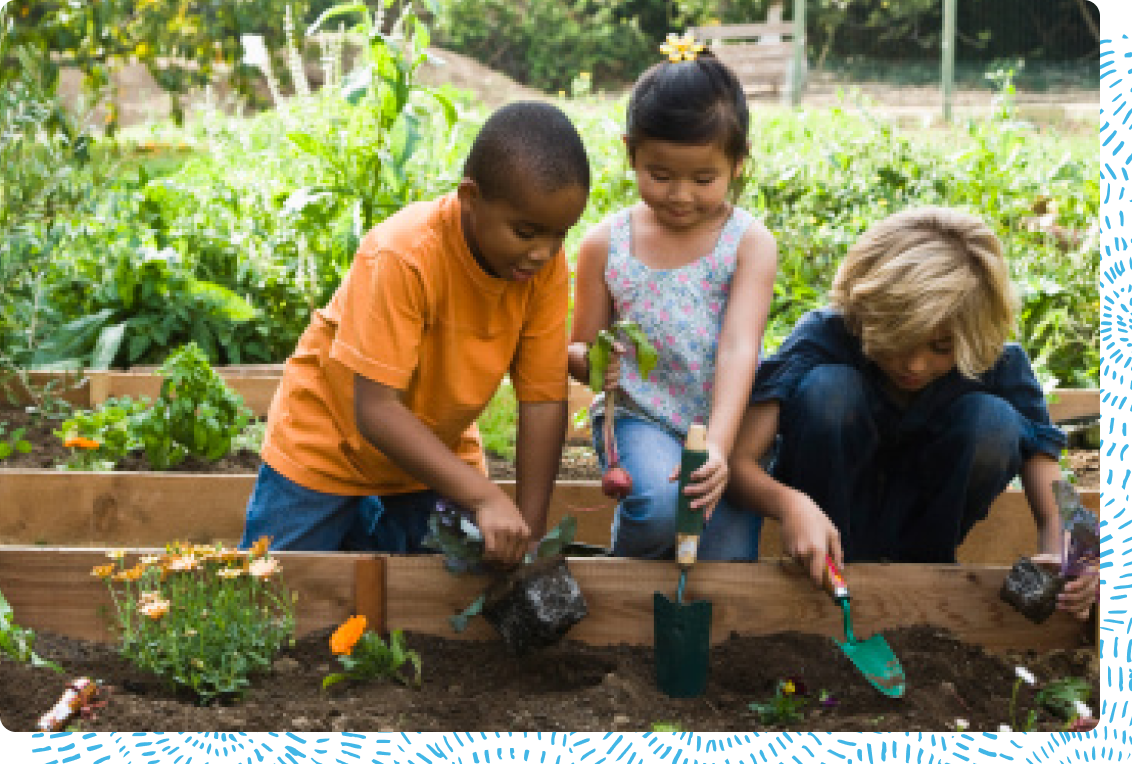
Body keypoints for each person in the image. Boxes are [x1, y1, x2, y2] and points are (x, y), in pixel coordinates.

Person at [240, 101, 590, 565]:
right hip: (329, 441)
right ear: (470, 198)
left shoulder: (540, 267)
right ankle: (355, 520)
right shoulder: (404, 255)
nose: (543, 252)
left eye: (559, 235)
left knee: (445, 591)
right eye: (525, 232)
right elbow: (377, 412)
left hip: (433, 454)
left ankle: (365, 527)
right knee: (276, 589)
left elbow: (544, 400)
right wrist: (485, 498)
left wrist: (528, 533)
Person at [728, 206, 1098, 619]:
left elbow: (1054, 500)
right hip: (825, 543)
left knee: (992, 421)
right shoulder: (827, 335)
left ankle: (924, 577)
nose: (915, 365)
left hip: (928, 539)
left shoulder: (997, 362)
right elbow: (740, 465)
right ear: (867, 314)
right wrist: (790, 505)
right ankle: (831, 571)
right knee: (829, 390)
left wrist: (1070, 562)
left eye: (941, 348)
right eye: (900, 342)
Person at [567, 40, 777, 560]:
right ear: (630, 153)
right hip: (643, 416)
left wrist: (722, 449)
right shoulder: (606, 244)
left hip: (727, 419)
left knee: (724, 566)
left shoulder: (748, 243)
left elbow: (738, 348)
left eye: (703, 179)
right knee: (661, 508)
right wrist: (595, 365)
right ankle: (625, 603)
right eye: (660, 175)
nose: (680, 194)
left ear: (737, 163)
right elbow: (577, 349)